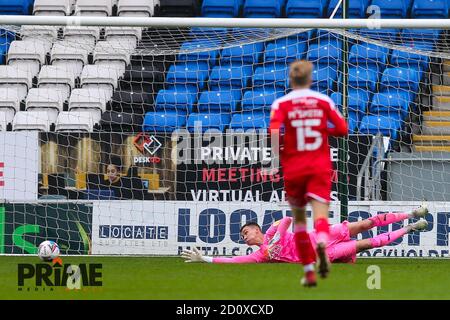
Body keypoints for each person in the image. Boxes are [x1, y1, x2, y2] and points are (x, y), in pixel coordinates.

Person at [181, 206, 429, 287]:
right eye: (243, 236)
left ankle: (411, 213)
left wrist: (278, 230)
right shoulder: (260, 255)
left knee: (365, 223)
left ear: (257, 230)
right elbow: (234, 262)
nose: (245, 237)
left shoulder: (270, 232)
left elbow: (287, 219)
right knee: (366, 244)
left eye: (246, 232)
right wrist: (207, 259)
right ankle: (412, 227)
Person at [268, 60, 348, 285]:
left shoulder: (281, 103)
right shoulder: (323, 101)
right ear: (310, 79)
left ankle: (309, 272)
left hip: (294, 168)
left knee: (300, 222)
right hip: (319, 166)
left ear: (291, 79)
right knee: (321, 216)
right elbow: (342, 129)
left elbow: (273, 131)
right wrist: (322, 129)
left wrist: (277, 158)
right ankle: (322, 241)